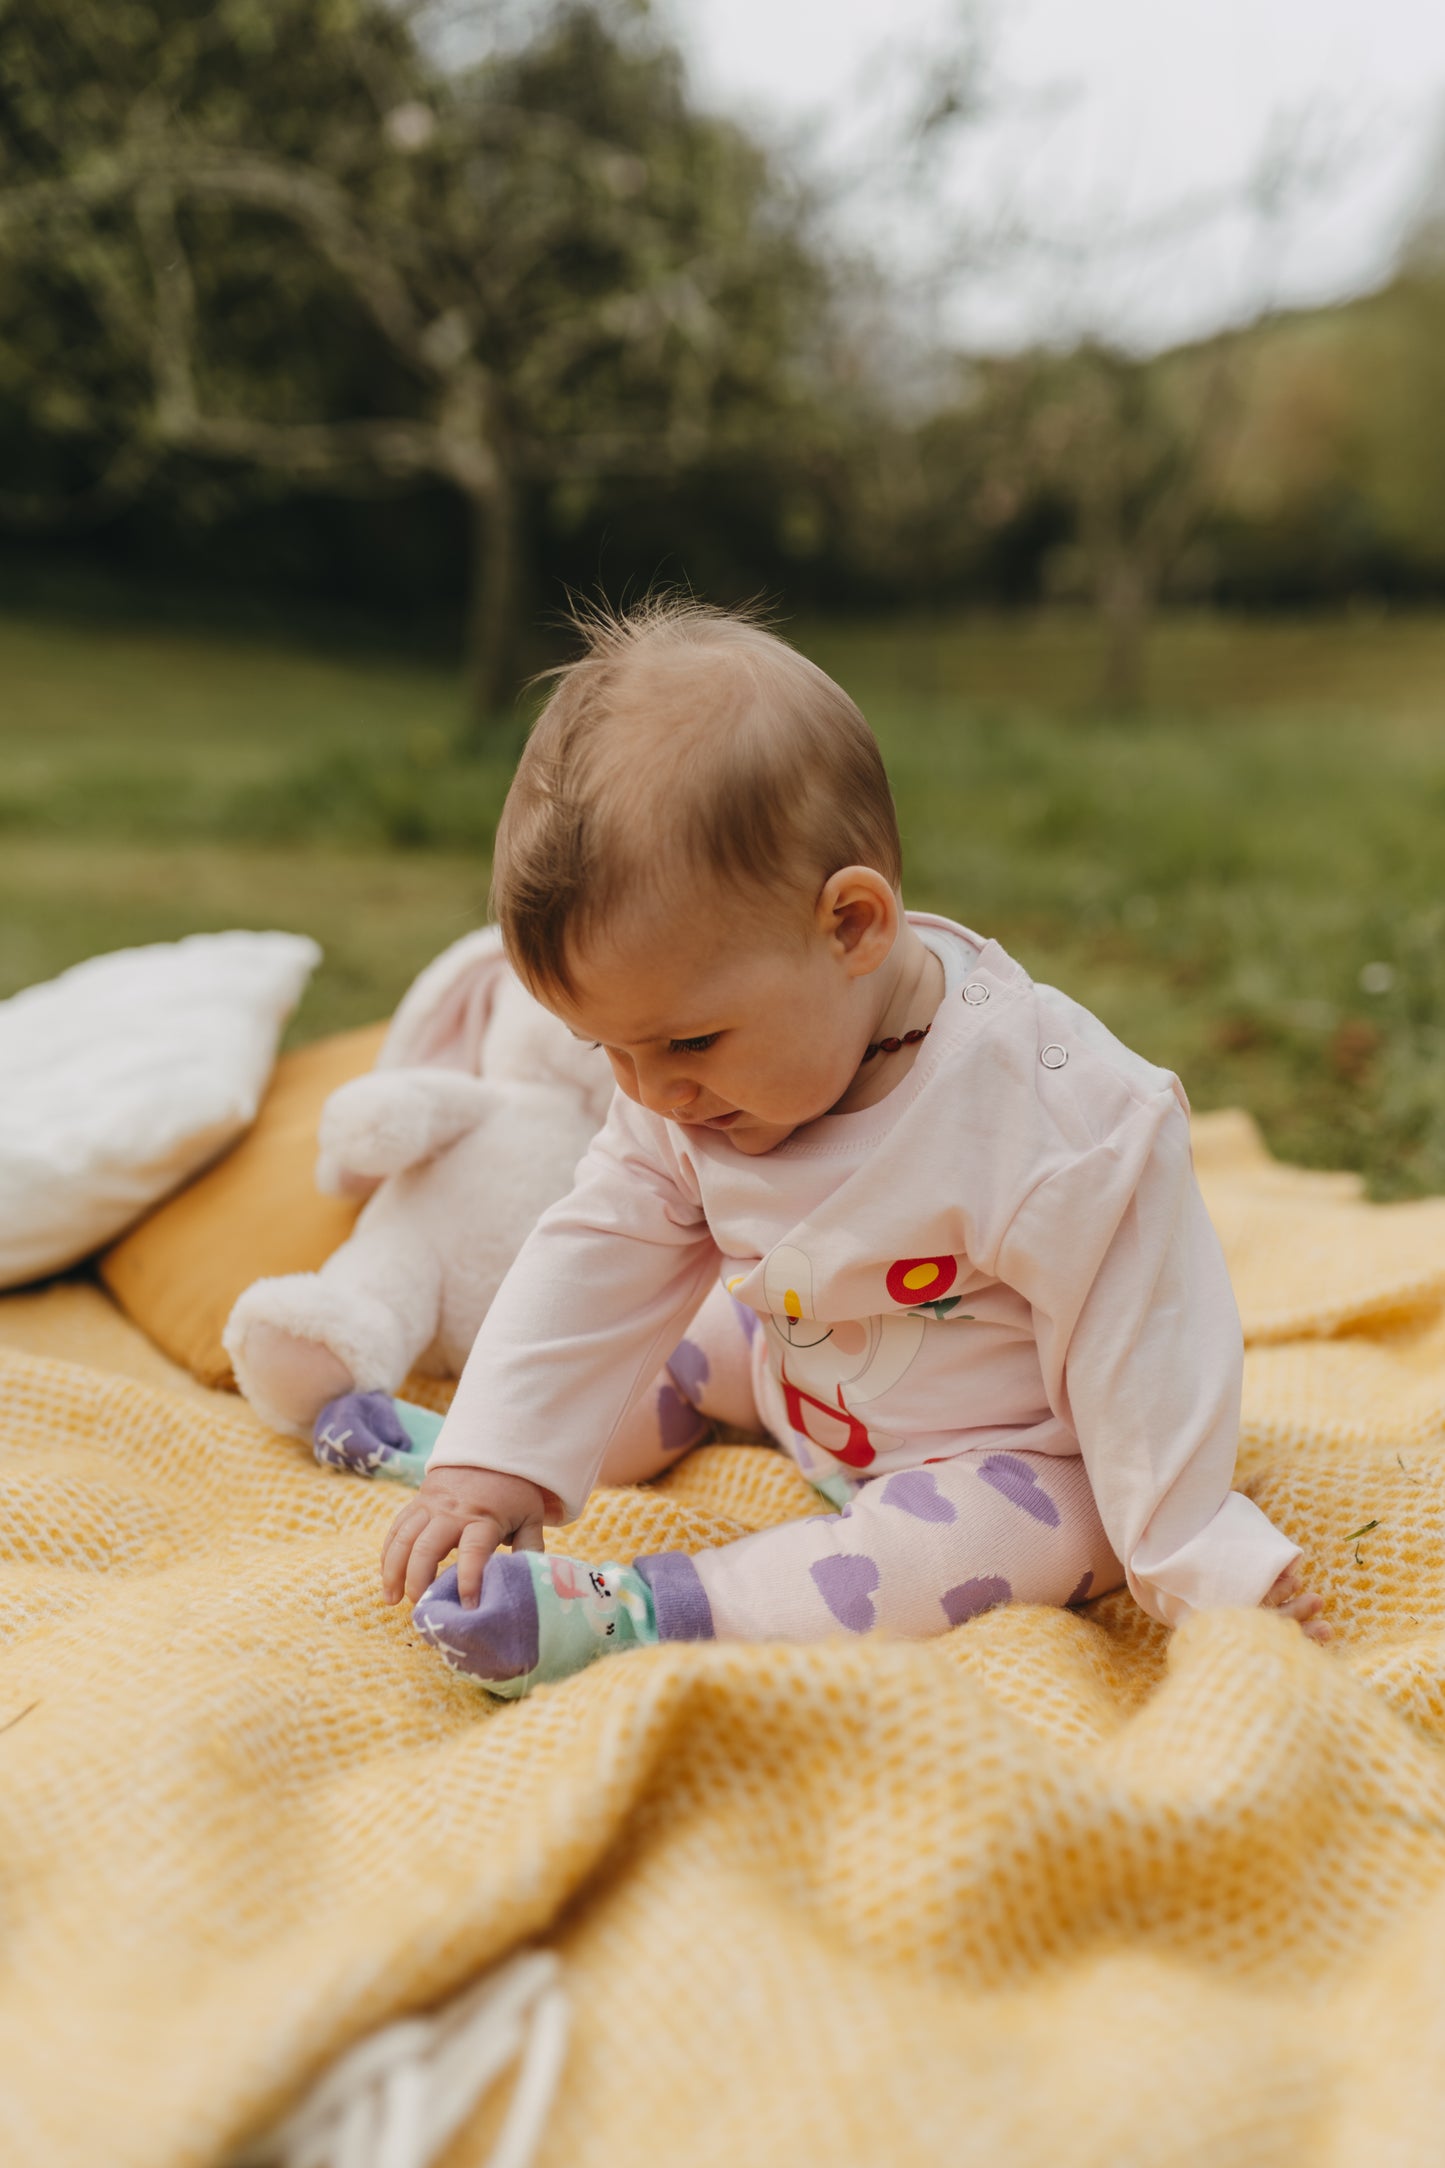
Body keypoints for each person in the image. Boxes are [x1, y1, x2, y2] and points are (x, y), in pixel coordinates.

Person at [376, 598, 1327, 1696]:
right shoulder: (686, 1085)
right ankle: (455, 1468)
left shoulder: (1051, 1118)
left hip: (998, 1454)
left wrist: (1192, 1548)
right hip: (794, 1364)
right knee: (651, 1341)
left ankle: (653, 1612)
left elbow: (1149, 1342)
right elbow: (600, 1248)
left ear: (851, 927)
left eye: (685, 1039)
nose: (651, 1093)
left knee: (994, 1541)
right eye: (606, 1049)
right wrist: (489, 1462)